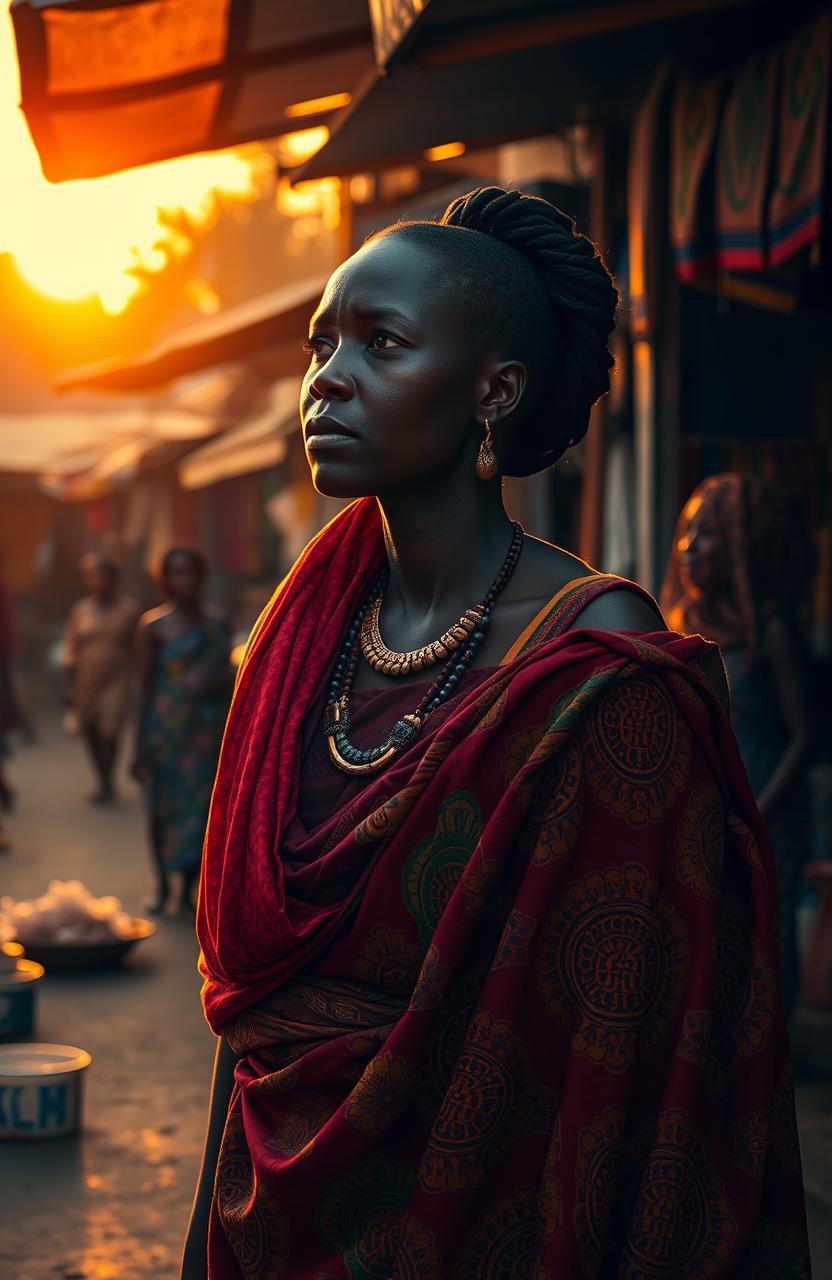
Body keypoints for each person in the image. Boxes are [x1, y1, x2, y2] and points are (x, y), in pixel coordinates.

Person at [182, 188, 808, 1278]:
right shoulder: (298, 636)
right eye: (321, 341)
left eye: (381, 341)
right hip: (272, 1219)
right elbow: (254, 1026)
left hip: (499, 1222)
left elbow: (628, 1046)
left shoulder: (601, 673)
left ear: (494, 391)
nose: (327, 376)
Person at [662, 473, 814, 1018]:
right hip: (703, 821)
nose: (687, 548)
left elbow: (804, 738)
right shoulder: (675, 630)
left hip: (767, 817)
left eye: (706, 535)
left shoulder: (769, 634)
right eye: (686, 533)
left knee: (767, 943)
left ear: (738, 544)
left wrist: (756, 812)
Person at [133, 548, 232, 915]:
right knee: (160, 809)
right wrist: (138, 745)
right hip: (164, 732)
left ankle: (188, 889)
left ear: (201, 576)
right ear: (165, 580)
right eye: (176, 574)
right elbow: (143, 685)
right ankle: (161, 885)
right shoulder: (153, 626)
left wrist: (217, 679)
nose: (184, 581)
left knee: (200, 811)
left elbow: (230, 677)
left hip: (204, 734)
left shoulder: (216, 625)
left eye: (190, 572)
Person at [63, 555, 140, 805]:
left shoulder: (129, 611)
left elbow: (140, 647)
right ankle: (102, 777)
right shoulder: (80, 611)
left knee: (109, 732)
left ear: (114, 581)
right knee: (91, 733)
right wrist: (69, 686)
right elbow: (71, 649)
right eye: (93, 577)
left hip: (117, 679)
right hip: (87, 679)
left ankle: (108, 781)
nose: (98, 583)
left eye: (103, 577)